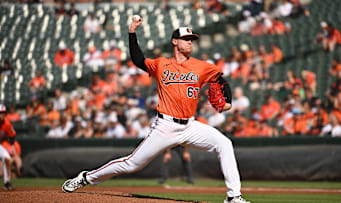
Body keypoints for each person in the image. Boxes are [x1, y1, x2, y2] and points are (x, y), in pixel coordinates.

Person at [62, 16, 250, 203]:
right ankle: (86, 177)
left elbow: (220, 80)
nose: (190, 42)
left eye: (191, 40)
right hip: (165, 126)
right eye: (186, 39)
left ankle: (233, 196)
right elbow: (138, 60)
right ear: (175, 42)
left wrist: (228, 102)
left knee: (224, 144)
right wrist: (132, 33)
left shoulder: (201, 66)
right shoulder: (160, 64)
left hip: (190, 126)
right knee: (131, 164)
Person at [0, 104, 16, 190]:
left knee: (7, 157)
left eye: (4, 112)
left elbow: (12, 134)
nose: (2, 114)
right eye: (0, 112)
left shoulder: (6, 123)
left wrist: (12, 146)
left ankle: (7, 182)